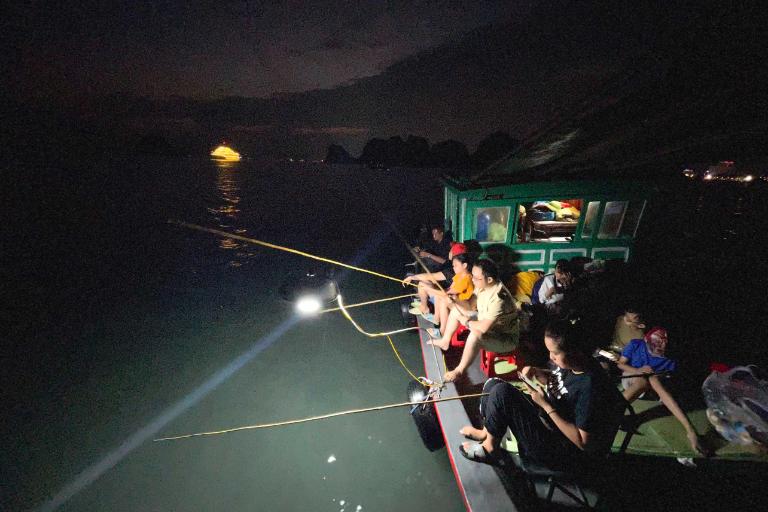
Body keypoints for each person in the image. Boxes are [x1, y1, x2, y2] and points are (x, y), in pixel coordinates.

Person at [458, 320, 624, 466]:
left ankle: (490, 449)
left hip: (560, 450)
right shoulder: (573, 364)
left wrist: (546, 406)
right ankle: (486, 433)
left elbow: (583, 443)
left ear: (575, 351)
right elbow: (562, 384)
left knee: (502, 393)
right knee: (493, 385)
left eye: (555, 353)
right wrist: (539, 373)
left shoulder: (591, 387)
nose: (551, 357)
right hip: (546, 420)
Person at [616, 327, 709, 455]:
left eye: (662, 348)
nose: (659, 350)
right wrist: (638, 371)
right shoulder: (635, 344)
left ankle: (691, 431)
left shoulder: (670, 361)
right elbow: (620, 364)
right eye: (655, 347)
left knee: (652, 378)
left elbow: (663, 386)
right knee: (646, 377)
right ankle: (611, 412)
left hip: (652, 387)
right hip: (631, 376)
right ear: (646, 340)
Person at [428, 259, 519, 382]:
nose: (472, 280)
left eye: (476, 278)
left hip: (503, 336)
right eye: (473, 276)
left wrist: (465, 321)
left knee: (475, 334)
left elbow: (483, 328)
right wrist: (455, 300)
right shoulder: (482, 285)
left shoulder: (499, 298)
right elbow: (470, 305)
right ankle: (445, 341)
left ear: (490, 279)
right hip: (489, 325)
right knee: (456, 311)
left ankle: (459, 370)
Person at [403, 242, 467, 317]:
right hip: (443, 290)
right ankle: (423, 302)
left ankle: (425, 308)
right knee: (424, 283)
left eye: (451, 250)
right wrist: (428, 255)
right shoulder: (452, 264)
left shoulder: (453, 271)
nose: (449, 251)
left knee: (423, 284)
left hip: (445, 298)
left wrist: (414, 277)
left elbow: (433, 277)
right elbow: (441, 263)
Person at [431, 253, 475, 336]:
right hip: (457, 301)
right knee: (439, 296)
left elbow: (449, 292)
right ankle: (436, 320)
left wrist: (429, 288)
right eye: (453, 265)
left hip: (466, 304)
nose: (453, 268)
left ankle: (442, 330)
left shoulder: (467, 278)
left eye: (456, 265)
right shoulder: (458, 276)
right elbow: (450, 289)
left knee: (444, 300)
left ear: (464, 265)